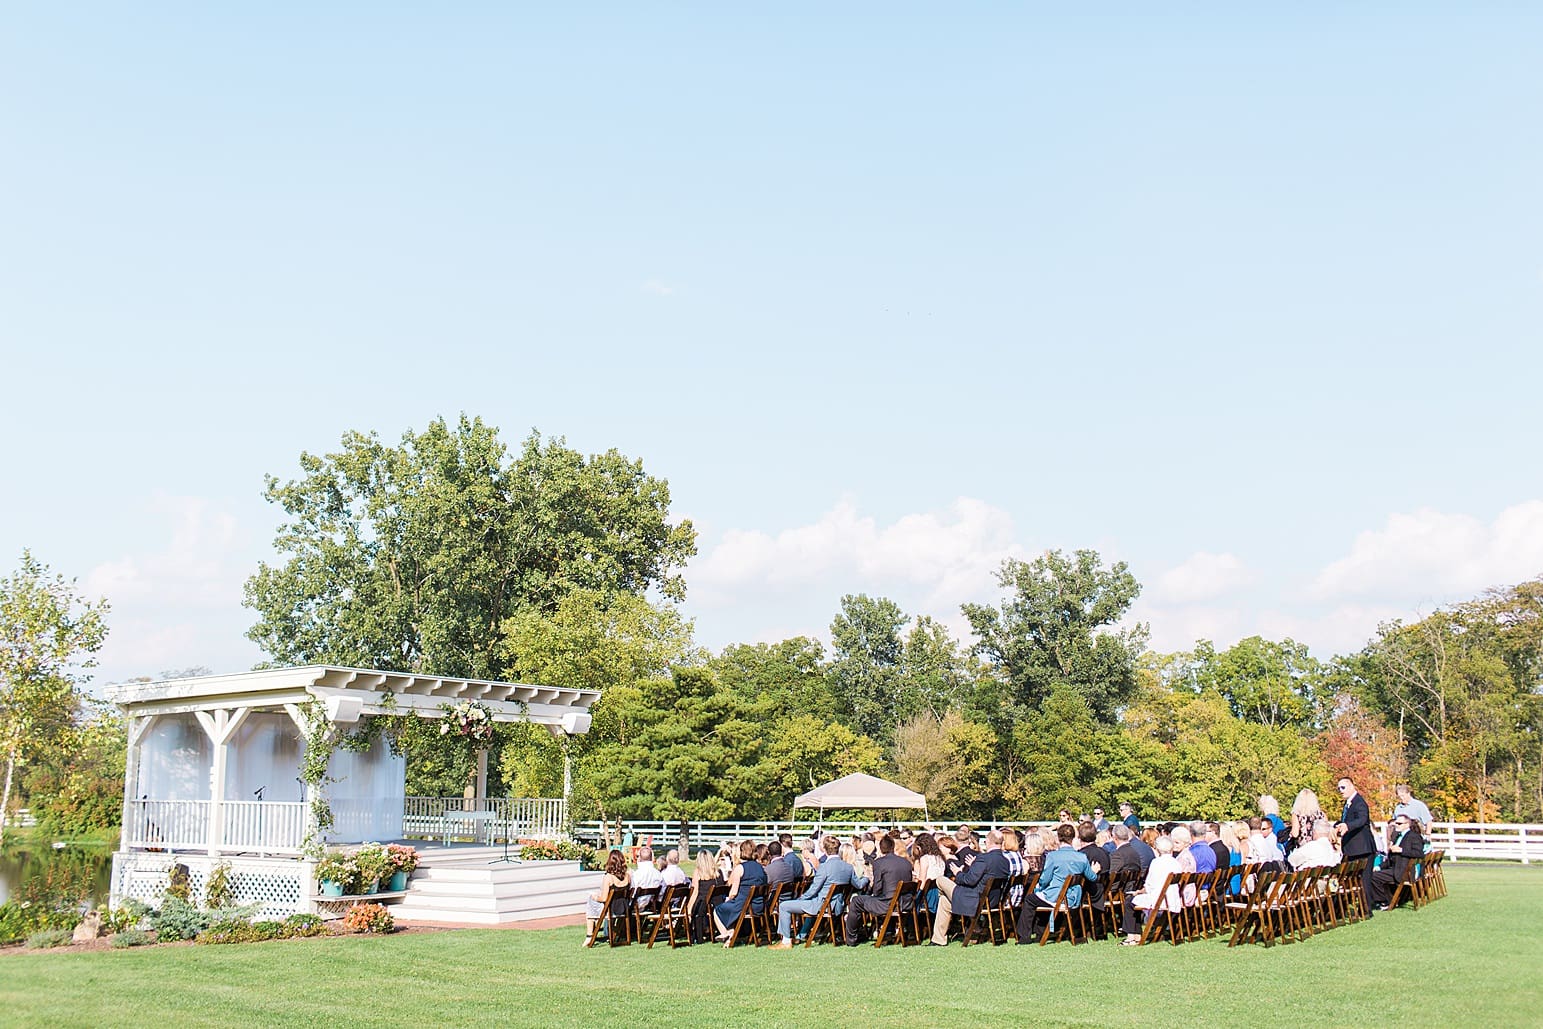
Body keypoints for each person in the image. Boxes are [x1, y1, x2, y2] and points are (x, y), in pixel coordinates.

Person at [1016, 823, 1093, 942]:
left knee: (1030, 899)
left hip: (1056, 897)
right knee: (1039, 897)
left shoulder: (1053, 856)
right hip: (1074, 898)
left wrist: (1039, 887)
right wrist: (1095, 870)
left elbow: (1044, 880)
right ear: (1073, 838)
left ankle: (1024, 936)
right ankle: (1041, 932)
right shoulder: (1082, 857)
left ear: (1058, 837)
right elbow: (1092, 877)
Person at [931, 829, 1009, 946]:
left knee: (940, 880)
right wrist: (973, 865)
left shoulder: (984, 858)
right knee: (945, 901)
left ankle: (970, 923)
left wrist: (957, 872)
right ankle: (938, 939)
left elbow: (969, 880)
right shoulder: (1005, 861)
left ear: (988, 841)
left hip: (974, 899)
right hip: (992, 901)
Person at [775, 835, 854, 947]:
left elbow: (813, 890)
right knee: (810, 903)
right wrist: (866, 878)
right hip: (837, 905)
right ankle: (800, 936)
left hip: (822, 905)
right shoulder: (848, 867)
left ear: (825, 850)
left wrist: (801, 898)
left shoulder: (825, 867)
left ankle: (786, 941)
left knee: (784, 906)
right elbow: (859, 884)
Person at [843, 834, 915, 945]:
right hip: (906, 903)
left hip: (888, 904)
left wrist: (872, 893)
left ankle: (851, 939)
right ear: (892, 847)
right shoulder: (906, 862)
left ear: (880, 849)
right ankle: (888, 932)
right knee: (882, 897)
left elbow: (877, 888)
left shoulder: (879, 863)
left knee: (856, 901)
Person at [1124, 834, 1181, 945]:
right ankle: (1138, 935)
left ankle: (1132, 936)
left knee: (1129, 902)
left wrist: (1139, 892)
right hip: (1172, 899)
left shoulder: (1156, 863)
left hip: (1158, 899)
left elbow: (1149, 886)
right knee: (1133, 900)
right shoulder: (1176, 863)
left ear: (1157, 849)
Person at [1335, 775, 1377, 915]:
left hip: (1363, 848)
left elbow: (1362, 820)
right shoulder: (1348, 804)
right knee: (1349, 878)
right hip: (1352, 849)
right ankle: (1340, 909)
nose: (1341, 791)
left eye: (1343, 787)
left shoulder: (1359, 802)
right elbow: (1347, 820)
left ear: (1351, 786)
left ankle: (1366, 910)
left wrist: (1348, 826)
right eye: (1338, 788)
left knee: (1364, 880)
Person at [713, 840, 767, 944]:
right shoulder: (760, 867)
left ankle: (726, 935)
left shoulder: (740, 868)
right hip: (758, 904)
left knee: (718, 909)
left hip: (743, 905)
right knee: (730, 908)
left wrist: (728, 899)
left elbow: (733, 892)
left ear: (742, 852)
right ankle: (730, 934)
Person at [1370, 814, 1427, 908]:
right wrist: (1379, 866)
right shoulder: (1397, 836)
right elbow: (1391, 858)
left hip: (1404, 871)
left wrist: (1402, 850)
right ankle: (1389, 900)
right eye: (1396, 823)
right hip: (1395, 868)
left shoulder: (1413, 836)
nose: (1396, 825)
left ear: (1407, 824)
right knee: (1374, 874)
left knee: (1373, 877)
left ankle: (1385, 901)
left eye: (1399, 823)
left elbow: (1419, 853)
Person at [583, 849, 632, 947]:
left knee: (590, 901)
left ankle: (589, 935)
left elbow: (604, 898)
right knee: (593, 902)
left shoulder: (608, 877)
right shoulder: (627, 876)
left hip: (611, 910)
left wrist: (595, 897)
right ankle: (605, 933)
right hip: (623, 908)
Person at [687, 849, 724, 943]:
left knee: (696, 910)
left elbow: (695, 892)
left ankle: (698, 936)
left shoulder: (698, 873)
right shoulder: (718, 872)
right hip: (717, 902)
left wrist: (688, 908)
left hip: (703, 903)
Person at [1076, 822, 1110, 906]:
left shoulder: (1081, 855)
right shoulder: (1105, 853)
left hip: (1087, 896)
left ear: (1079, 836)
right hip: (1101, 894)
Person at [1290, 789, 1327, 853]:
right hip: (1319, 847)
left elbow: (1295, 833)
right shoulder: (1322, 815)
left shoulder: (1297, 815)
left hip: (1303, 848)